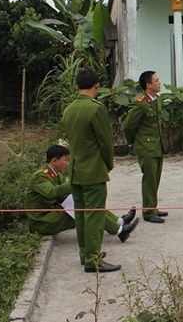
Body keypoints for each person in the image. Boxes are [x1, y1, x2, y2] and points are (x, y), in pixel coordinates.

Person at [62, 70, 120, 273]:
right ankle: (93, 259)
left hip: (75, 169)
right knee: (95, 215)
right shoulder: (96, 109)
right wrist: (108, 164)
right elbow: (105, 142)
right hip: (93, 170)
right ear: (96, 85)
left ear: (77, 86)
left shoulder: (69, 109)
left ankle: (85, 253)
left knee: (80, 215)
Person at [26, 145, 139, 244]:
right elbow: (52, 193)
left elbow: (61, 195)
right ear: (54, 161)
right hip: (42, 220)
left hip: (51, 213)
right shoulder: (40, 176)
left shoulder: (55, 174)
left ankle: (119, 222)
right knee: (83, 210)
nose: (67, 164)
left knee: (87, 202)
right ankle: (119, 230)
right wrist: (74, 182)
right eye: (65, 160)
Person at [124, 71, 167, 224]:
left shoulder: (156, 100)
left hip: (157, 146)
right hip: (146, 146)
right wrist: (132, 141)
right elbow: (129, 125)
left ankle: (152, 207)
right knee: (149, 179)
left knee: (155, 178)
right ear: (148, 85)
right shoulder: (140, 103)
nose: (159, 82)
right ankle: (148, 212)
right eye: (156, 80)